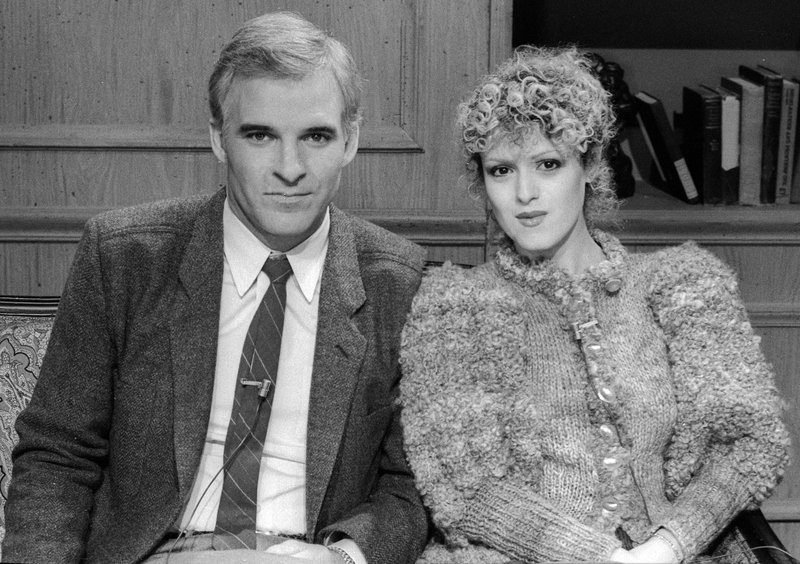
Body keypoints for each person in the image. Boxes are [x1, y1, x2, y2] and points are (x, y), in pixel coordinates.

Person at [2, 11, 428, 564]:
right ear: (218, 139)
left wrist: (342, 557)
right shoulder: (125, 256)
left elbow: (412, 486)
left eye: (316, 136)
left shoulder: (403, 283)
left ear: (351, 141)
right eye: (259, 135)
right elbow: (58, 456)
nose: (290, 167)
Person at [399, 45, 790, 564]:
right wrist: (599, 558)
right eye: (500, 170)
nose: (525, 194)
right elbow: (465, 487)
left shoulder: (682, 285)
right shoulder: (455, 308)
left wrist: (669, 547)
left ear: (588, 165)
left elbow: (748, 442)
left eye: (548, 164)